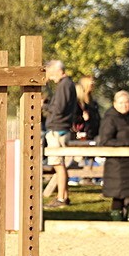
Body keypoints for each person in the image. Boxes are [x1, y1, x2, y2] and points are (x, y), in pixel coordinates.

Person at [98, 91, 129, 221]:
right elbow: (105, 141)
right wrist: (128, 143)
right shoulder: (110, 118)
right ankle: (117, 222)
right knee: (118, 194)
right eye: (121, 103)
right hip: (118, 164)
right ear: (114, 104)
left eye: (127, 102)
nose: (124, 105)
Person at [41, 60, 76, 207]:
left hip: (58, 129)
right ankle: (64, 196)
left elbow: (59, 108)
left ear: (57, 71)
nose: (49, 76)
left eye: (50, 73)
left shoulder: (64, 85)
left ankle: (61, 197)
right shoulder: (68, 84)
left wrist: (44, 105)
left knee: (58, 164)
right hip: (61, 128)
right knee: (59, 164)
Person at [73, 76, 100, 142]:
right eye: (90, 83)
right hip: (82, 135)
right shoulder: (77, 103)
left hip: (93, 133)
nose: (92, 84)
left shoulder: (93, 102)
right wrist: (82, 118)